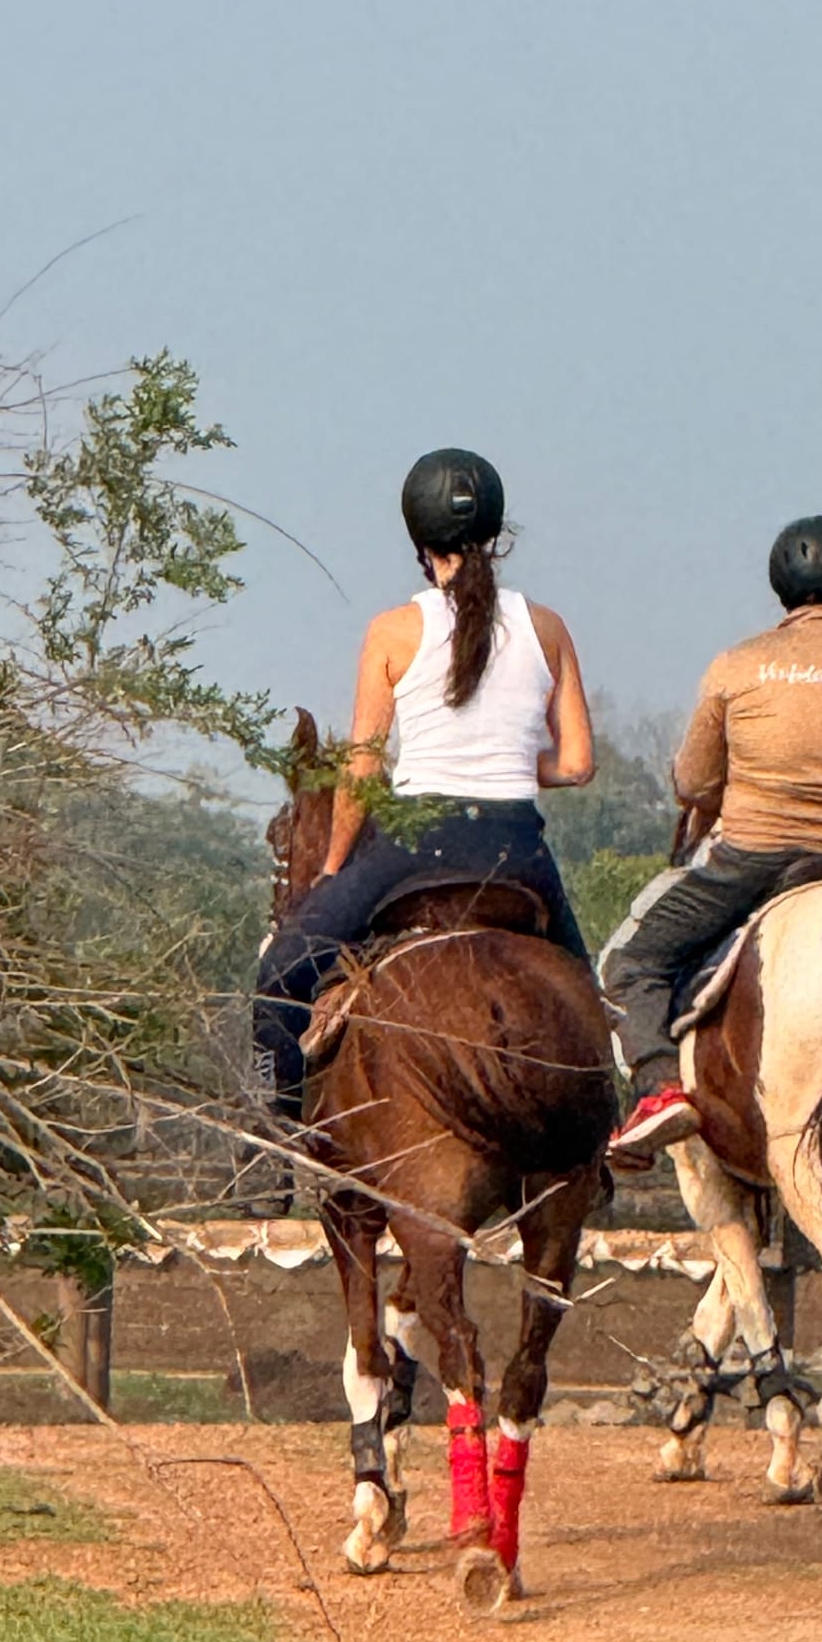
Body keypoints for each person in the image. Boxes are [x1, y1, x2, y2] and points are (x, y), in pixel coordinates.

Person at [251, 448, 595, 1140]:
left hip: (416, 845)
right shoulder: (547, 627)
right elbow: (580, 763)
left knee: (279, 973)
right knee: (589, 1001)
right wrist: (510, 764)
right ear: (495, 535)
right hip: (516, 850)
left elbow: (363, 772)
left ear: (419, 542)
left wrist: (330, 868)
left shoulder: (393, 630)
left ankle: (276, 1137)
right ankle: (603, 1142)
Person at [599, 516, 822, 1164]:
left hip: (750, 862)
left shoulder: (739, 666)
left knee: (630, 960)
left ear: (781, 587)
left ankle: (658, 1087)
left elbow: (694, 780)